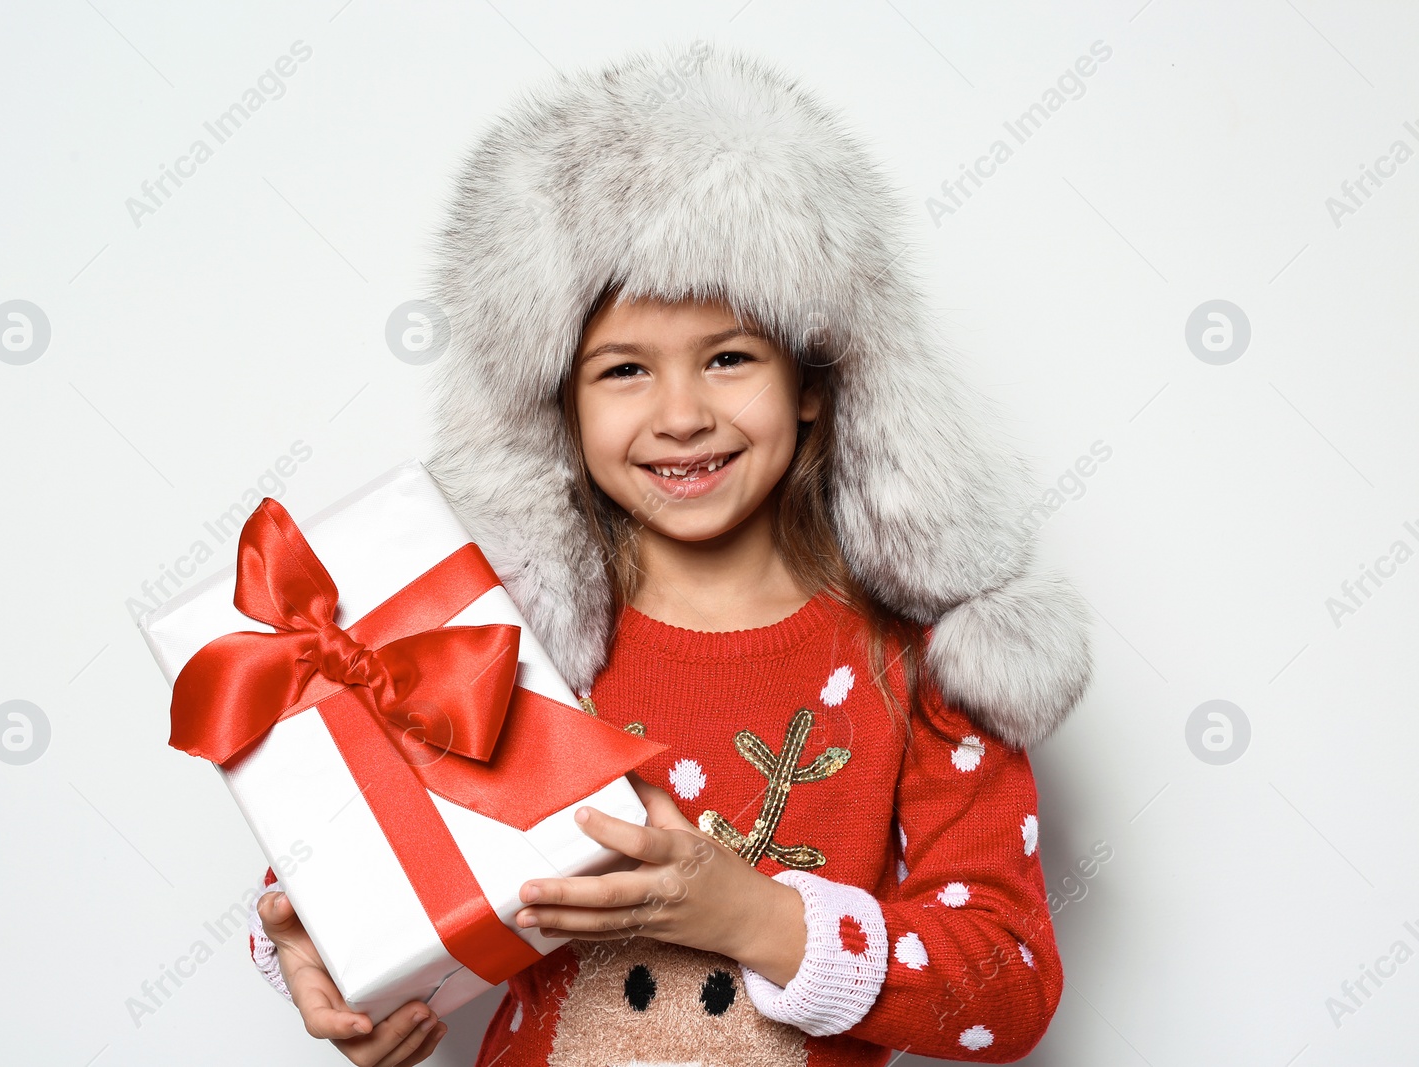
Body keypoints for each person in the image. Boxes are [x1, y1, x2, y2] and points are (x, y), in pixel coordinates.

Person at [246, 42, 1094, 1067]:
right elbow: (384, 855)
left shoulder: (931, 660)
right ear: (557, 403)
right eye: (623, 370)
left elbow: (1003, 986)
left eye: (729, 357)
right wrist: (319, 948)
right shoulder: (501, 647)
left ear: (814, 378)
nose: (681, 414)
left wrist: (757, 917)